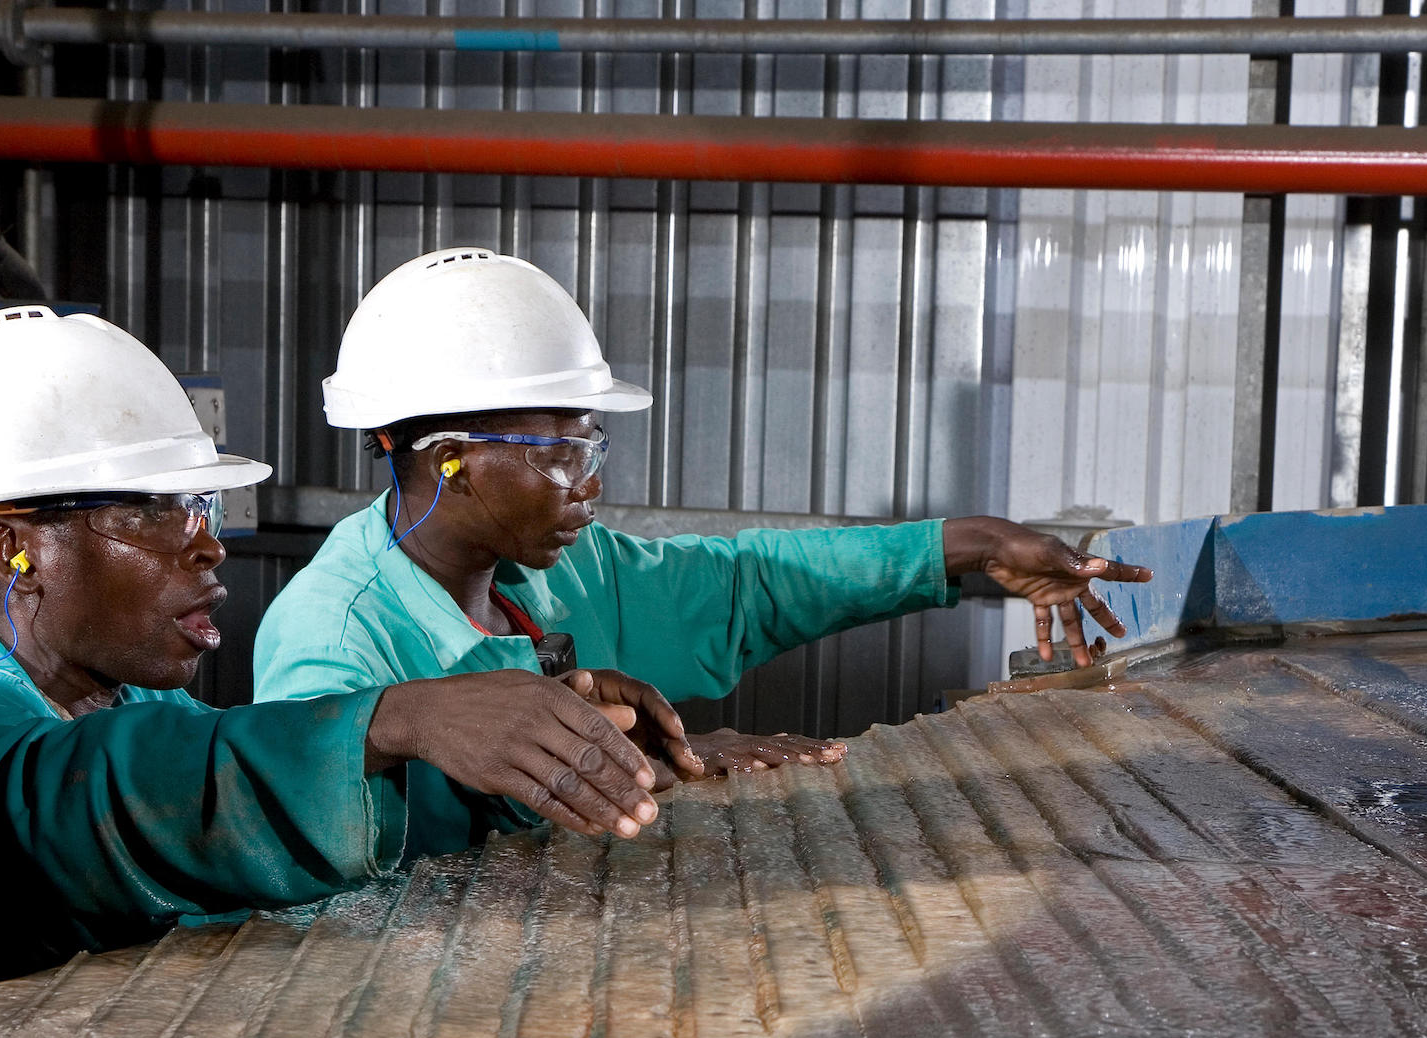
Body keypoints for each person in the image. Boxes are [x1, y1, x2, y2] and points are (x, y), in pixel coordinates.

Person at [0, 305, 699, 1025]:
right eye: (154, 512)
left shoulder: (120, 697)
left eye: (200, 504)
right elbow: (103, 797)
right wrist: (398, 717)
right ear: (13, 548)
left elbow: (247, 829)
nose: (209, 544)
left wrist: (538, 756)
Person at [251, 248, 1151, 858]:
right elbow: (327, 869)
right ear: (450, 457)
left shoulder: (565, 570)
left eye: (591, 444)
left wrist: (970, 545)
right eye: (561, 451)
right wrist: (609, 774)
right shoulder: (333, 640)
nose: (589, 482)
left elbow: (749, 585)